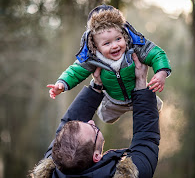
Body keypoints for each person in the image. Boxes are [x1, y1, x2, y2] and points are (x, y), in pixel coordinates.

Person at [30, 53, 160, 178]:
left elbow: (67, 128)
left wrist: (96, 86)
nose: (91, 122)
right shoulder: (132, 174)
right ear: (96, 156)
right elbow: (146, 139)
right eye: (94, 129)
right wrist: (141, 82)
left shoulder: (50, 173)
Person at [47, 4, 171, 123]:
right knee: (106, 117)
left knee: (154, 108)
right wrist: (61, 84)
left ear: (124, 35)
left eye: (118, 39)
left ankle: (152, 107)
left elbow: (156, 53)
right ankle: (106, 113)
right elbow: (75, 71)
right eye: (107, 43)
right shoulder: (93, 58)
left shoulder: (135, 48)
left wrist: (161, 72)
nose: (115, 46)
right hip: (114, 101)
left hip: (139, 91)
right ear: (95, 46)